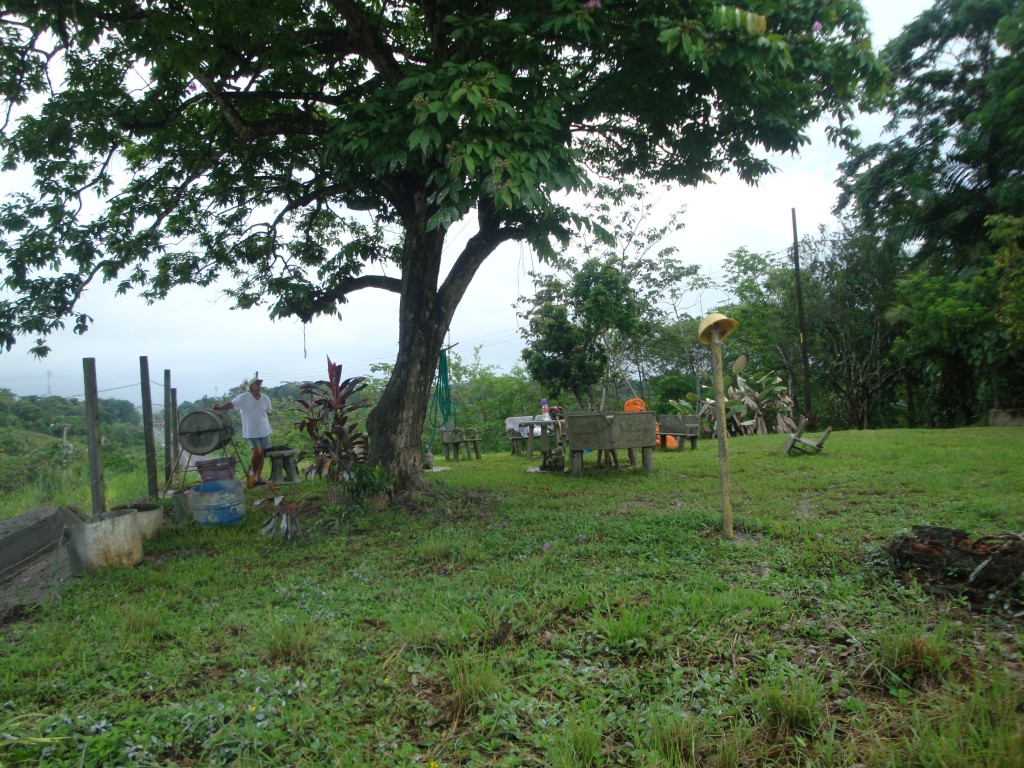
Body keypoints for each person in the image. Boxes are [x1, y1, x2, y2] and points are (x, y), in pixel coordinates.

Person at [212, 378, 272, 485]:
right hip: (251, 431)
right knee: (257, 452)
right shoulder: (244, 397)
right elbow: (231, 404)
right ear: (251, 386)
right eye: (257, 384)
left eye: (260, 384)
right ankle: (253, 475)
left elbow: (268, 412)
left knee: (261, 454)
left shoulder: (265, 398)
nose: (259, 386)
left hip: (264, 430)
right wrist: (220, 407)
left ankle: (258, 477)